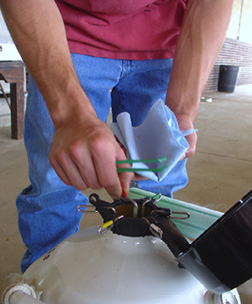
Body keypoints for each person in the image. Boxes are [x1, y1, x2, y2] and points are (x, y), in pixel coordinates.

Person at [0, 0, 234, 272]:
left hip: (165, 40)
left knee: (157, 183)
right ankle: (46, 282)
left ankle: (148, 278)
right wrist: (70, 114)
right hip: (64, 37)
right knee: (57, 182)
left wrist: (180, 111)